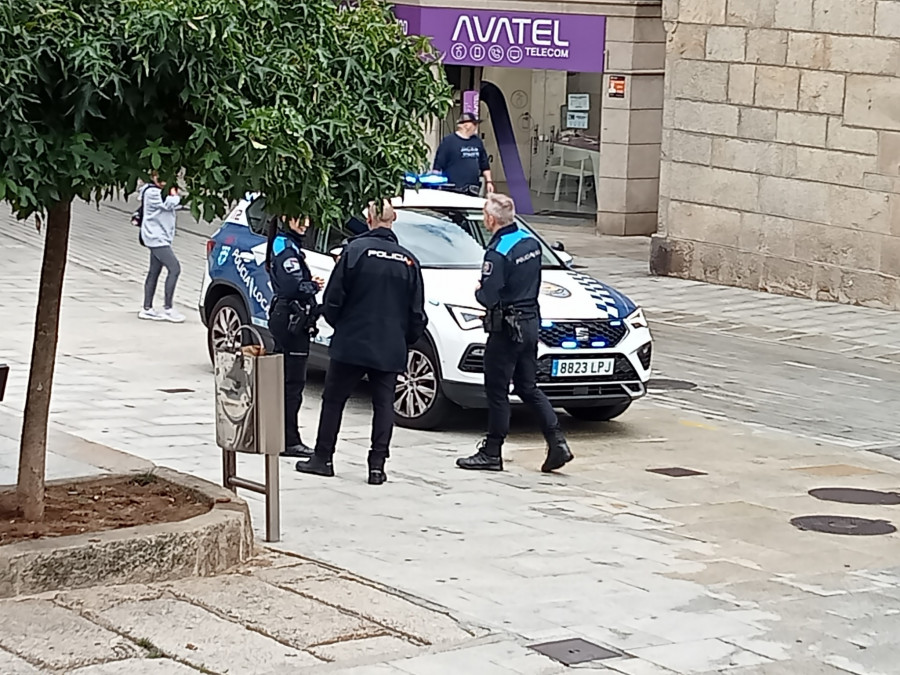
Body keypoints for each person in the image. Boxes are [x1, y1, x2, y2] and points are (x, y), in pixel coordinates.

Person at [295, 200, 427, 485]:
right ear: (394, 220)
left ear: (368, 220)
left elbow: (332, 300)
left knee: (334, 401)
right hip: (389, 346)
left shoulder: (353, 252)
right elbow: (417, 314)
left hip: (351, 341)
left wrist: (340, 325)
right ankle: (377, 467)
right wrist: (404, 340)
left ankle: (323, 458)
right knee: (383, 406)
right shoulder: (408, 260)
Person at [456, 193, 573, 474]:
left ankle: (492, 451)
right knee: (527, 386)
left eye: (485, 214)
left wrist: (478, 291)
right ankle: (557, 441)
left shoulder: (497, 252)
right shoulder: (529, 241)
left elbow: (488, 296)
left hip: (506, 328)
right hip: (530, 323)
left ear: (491, 219)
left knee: (497, 390)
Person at [265, 215, 325, 458]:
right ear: (285, 218)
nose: (306, 224)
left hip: (287, 316)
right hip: (291, 318)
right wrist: (312, 286)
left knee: (286, 381)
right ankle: (289, 440)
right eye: (299, 219)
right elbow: (293, 286)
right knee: (292, 384)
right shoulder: (285, 247)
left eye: (308, 219)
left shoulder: (285, 244)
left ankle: (281, 435)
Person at [138, 173, 185, 322]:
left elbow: (178, 204)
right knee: (174, 268)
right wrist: (174, 193)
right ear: (153, 177)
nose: (164, 182)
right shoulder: (152, 192)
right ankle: (168, 308)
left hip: (161, 237)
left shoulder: (158, 191)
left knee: (154, 271)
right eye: (160, 178)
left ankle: (147, 308)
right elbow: (171, 203)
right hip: (156, 238)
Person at [432, 112, 494, 196]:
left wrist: (489, 182)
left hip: (473, 189)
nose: (476, 127)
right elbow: (438, 165)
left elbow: (484, 164)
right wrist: (435, 185)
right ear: (466, 125)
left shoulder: (477, 141)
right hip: (453, 189)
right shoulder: (449, 141)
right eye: (474, 124)